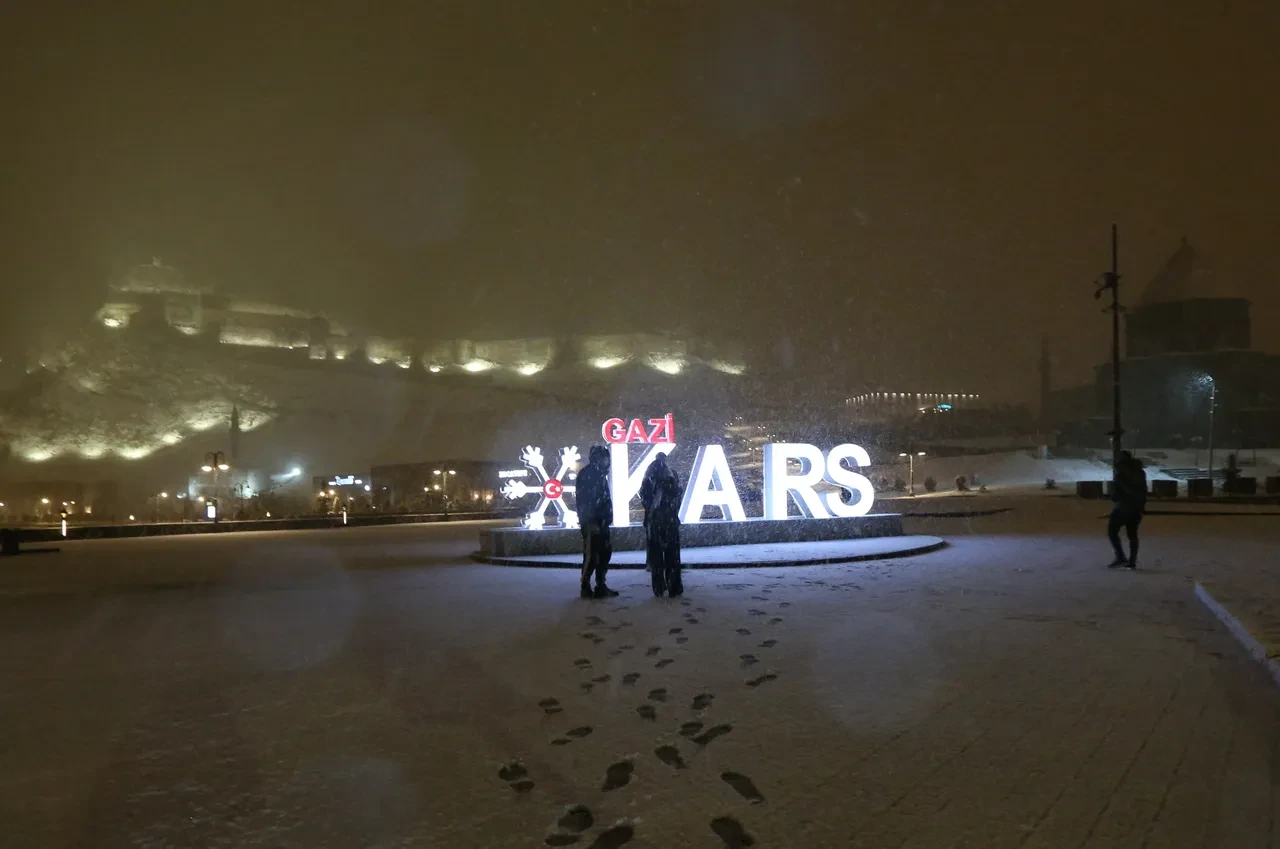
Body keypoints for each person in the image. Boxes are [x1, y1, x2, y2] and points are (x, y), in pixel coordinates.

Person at [576, 446, 617, 598]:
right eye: (603, 458)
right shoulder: (588, 474)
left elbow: (603, 500)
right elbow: (585, 501)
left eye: (606, 458)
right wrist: (590, 521)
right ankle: (585, 585)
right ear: (596, 459)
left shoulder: (599, 475)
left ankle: (600, 585)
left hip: (602, 522)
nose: (606, 461)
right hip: (592, 523)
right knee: (592, 555)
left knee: (604, 553)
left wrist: (606, 517)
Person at [640, 452, 684, 597]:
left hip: (656, 523)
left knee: (657, 558)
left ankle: (659, 588)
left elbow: (645, 500)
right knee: (671, 557)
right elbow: (677, 497)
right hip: (668, 522)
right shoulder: (670, 477)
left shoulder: (649, 478)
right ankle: (673, 587)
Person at [1108, 450, 1147, 569]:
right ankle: (1132, 561)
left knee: (1112, 531)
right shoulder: (1140, 472)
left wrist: (1114, 490)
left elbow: (1116, 495)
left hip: (1123, 507)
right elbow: (1143, 491)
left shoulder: (1121, 474)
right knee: (1132, 534)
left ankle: (1120, 557)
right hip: (1137, 508)